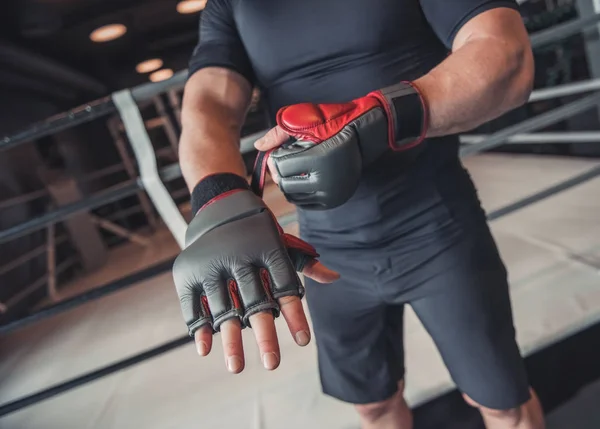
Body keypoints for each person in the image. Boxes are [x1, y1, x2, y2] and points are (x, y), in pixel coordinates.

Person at [172, 1, 546, 428]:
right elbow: (209, 104)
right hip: (323, 252)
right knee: (373, 404)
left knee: (501, 402)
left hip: (436, 229)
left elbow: (505, 53)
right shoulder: (232, 3)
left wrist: (380, 116)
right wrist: (218, 197)